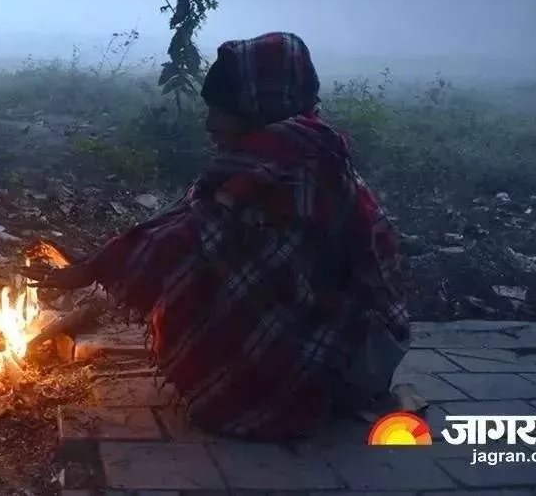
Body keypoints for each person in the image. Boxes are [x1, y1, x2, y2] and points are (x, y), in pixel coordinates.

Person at [24, 33, 410, 441]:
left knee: (206, 271)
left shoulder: (293, 165)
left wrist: (93, 269)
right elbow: (191, 224)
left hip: (346, 359)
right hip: (357, 349)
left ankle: (267, 393)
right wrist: (99, 262)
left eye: (221, 112)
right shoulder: (304, 148)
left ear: (258, 107)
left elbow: (187, 240)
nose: (211, 125)